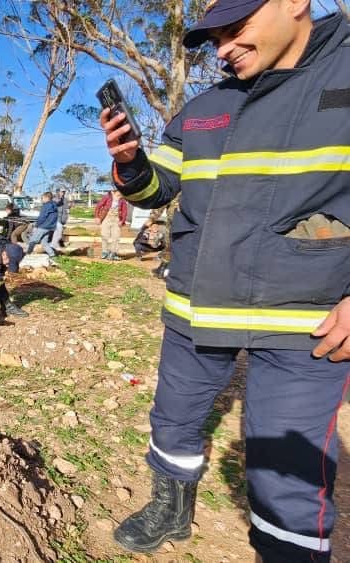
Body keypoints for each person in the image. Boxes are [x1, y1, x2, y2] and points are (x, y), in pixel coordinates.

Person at [100, 2, 350, 560]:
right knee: (173, 420)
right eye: (214, 38)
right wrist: (133, 164)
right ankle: (171, 509)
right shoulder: (205, 108)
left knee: (286, 473)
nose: (222, 50)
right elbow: (157, 188)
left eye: (235, 30)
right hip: (199, 306)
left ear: (295, 4)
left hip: (307, 321)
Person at [95, 188, 128, 260]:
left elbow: (124, 211)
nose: (120, 194)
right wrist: (97, 217)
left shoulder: (122, 200)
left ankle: (113, 253)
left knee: (116, 237)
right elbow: (98, 206)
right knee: (104, 235)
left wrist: (122, 221)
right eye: (119, 192)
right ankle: (105, 252)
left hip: (116, 219)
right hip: (106, 217)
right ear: (114, 192)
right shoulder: (107, 197)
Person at [25, 191, 58, 260]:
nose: (41, 200)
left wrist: (36, 224)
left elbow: (42, 217)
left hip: (43, 226)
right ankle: (53, 255)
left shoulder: (46, 205)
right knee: (44, 243)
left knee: (32, 240)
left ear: (46, 198)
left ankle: (27, 254)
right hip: (51, 227)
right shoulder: (54, 205)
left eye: (42, 198)